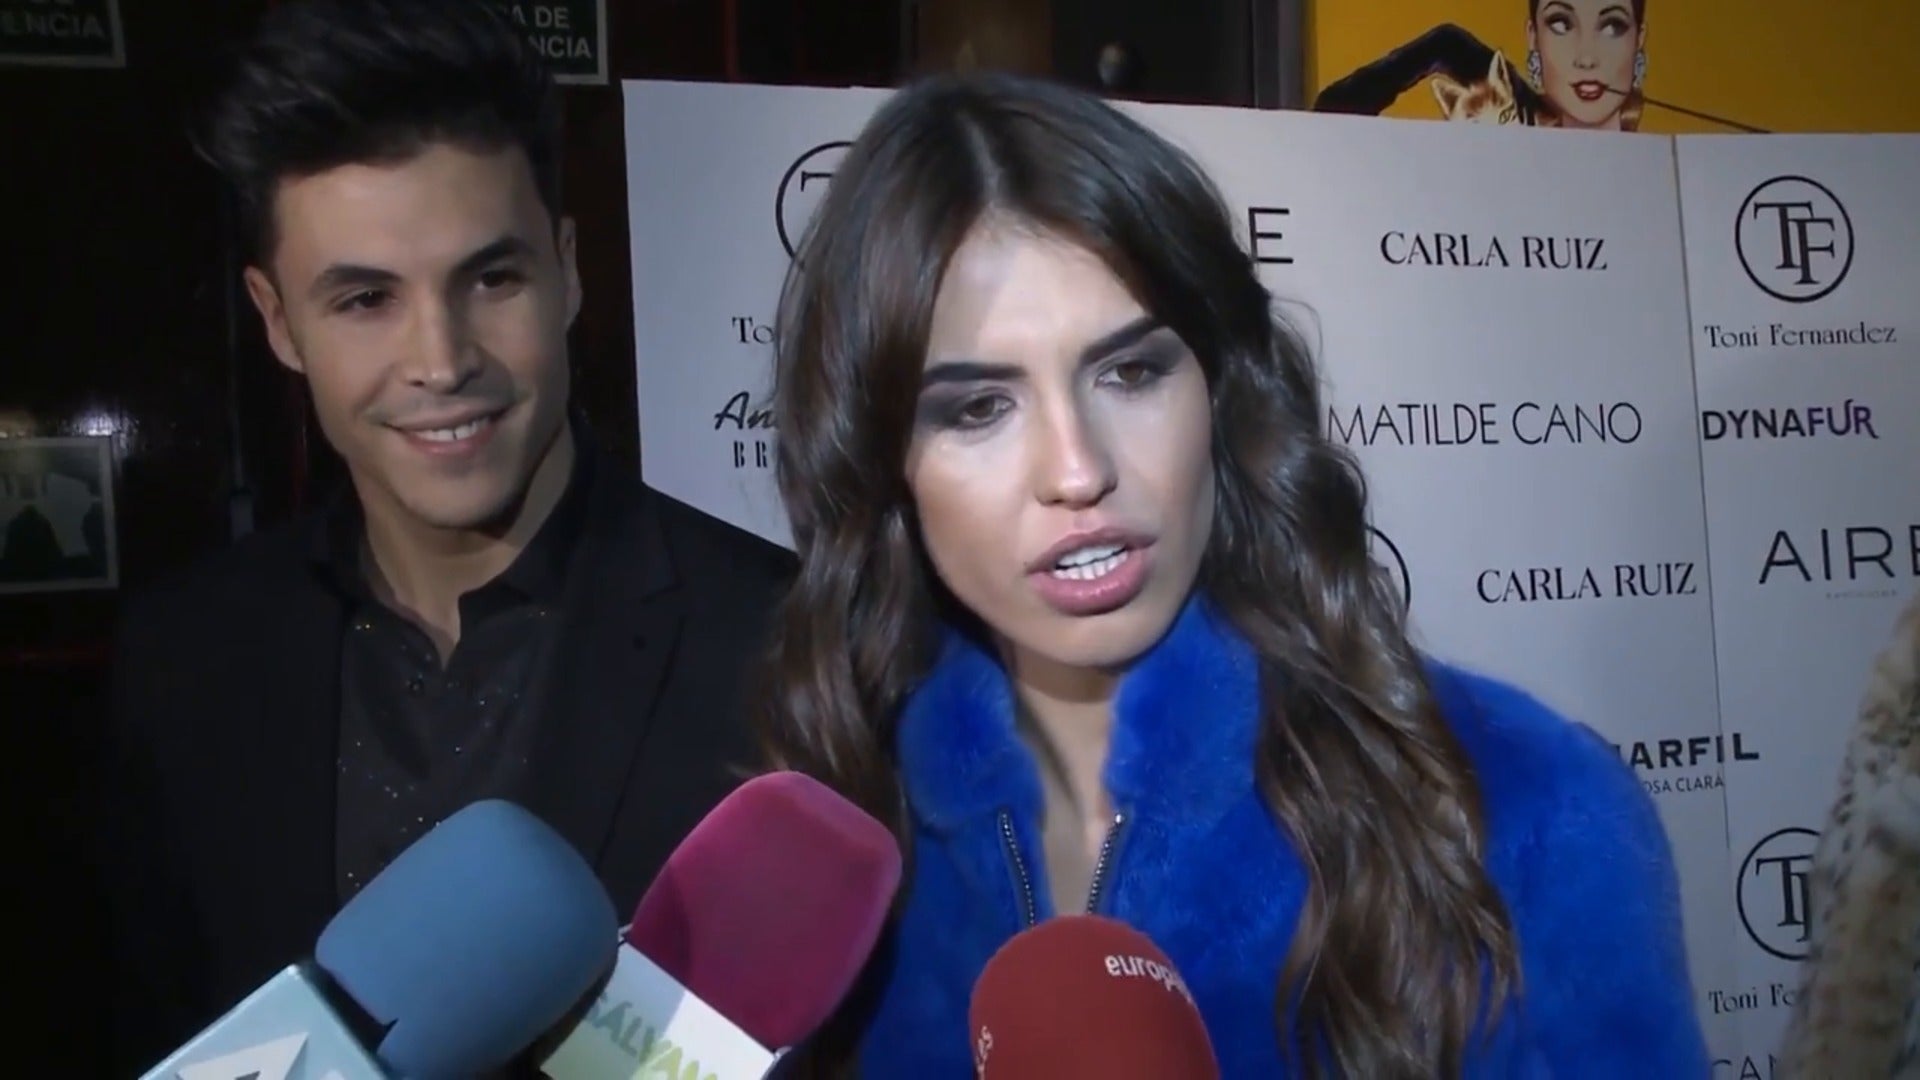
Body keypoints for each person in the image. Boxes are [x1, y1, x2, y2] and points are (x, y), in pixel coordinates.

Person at [754, 70, 1707, 1077]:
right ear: (885, 462)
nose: (1077, 469)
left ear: (1220, 390)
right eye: (979, 408)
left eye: (1131, 371)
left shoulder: (1531, 814)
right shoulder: (839, 857)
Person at [94, 1, 795, 1073]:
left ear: (566, 269)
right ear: (279, 321)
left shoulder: (784, 646)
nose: (442, 359)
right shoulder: (185, 662)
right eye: (365, 300)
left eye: (491, 278)